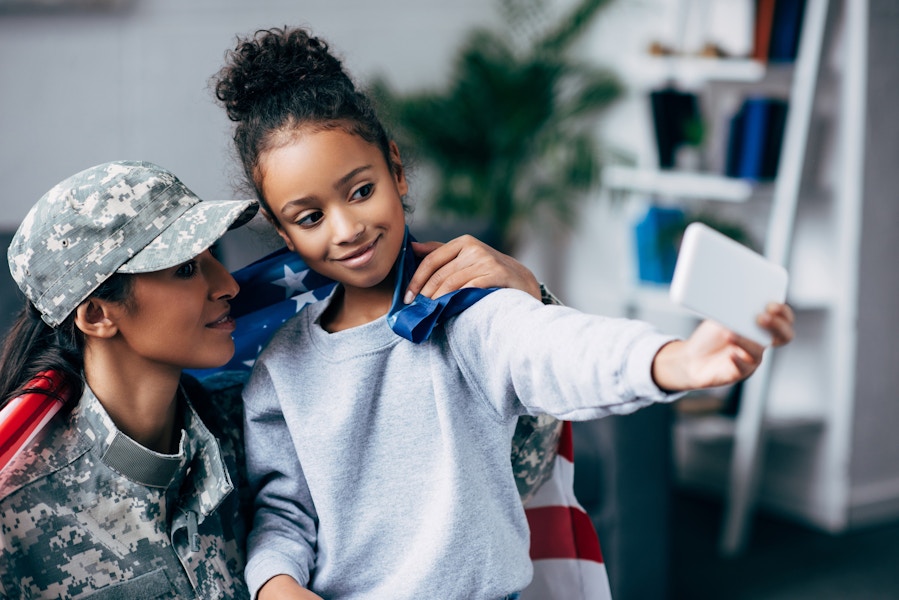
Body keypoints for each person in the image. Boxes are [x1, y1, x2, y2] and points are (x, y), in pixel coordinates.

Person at [212, 26, 794, 600]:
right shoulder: (280, 367)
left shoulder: (465, 312)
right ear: (282, 231)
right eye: (310, 217)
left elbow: (557, 348)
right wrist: (276, 585)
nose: (347, 229)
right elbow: (283, 510)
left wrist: (675, 361)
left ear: (396, 168)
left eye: (360, 190)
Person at [0, 160, 553, 599]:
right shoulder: (16, 510)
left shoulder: (253, 424)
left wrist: (526, 304)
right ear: (98, 315)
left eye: (211, 256)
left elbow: (500, 477)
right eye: (186, 269)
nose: (228, 285)